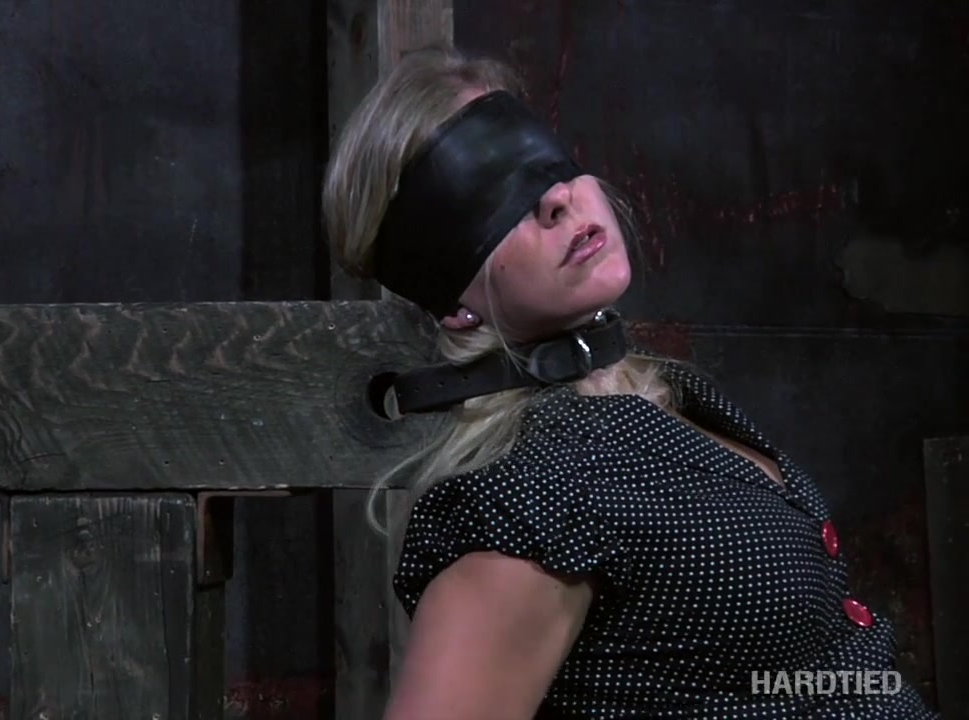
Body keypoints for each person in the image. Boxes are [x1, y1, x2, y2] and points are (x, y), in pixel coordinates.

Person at [320, 45, 940, 720]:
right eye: (493, 198)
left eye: (546, 164)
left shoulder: (665, 397)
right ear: (454, 304)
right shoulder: (535, 496)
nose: (555, 200)